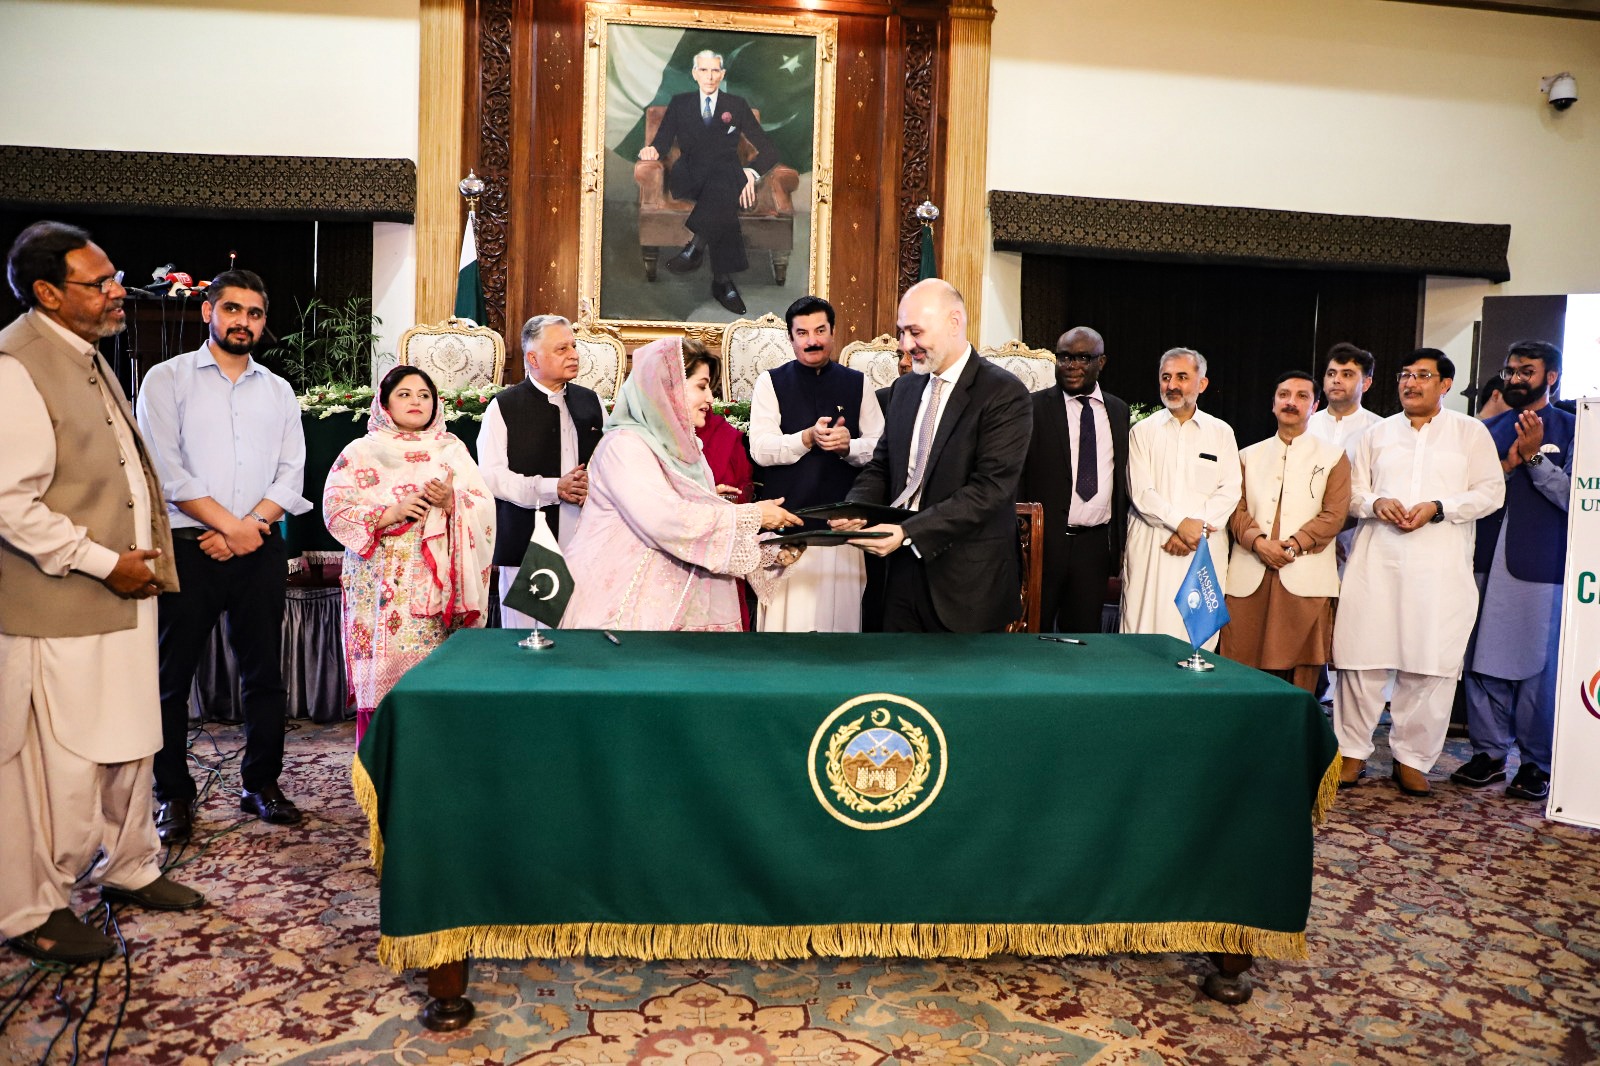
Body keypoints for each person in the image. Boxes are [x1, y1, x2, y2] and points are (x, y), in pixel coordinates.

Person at [1, 221, 203, 965]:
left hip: (122, 592)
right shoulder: (16, 367)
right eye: (100, 282)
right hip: (60, 604)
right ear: (48, 292)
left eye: (115, 276)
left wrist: (127, 567)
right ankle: (34, 907)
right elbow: (10, 502)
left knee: (131, 740)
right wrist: (99, 561)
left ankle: (130, 865)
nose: (119, 290)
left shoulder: (85, 353)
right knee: (62, 761)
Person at [135, 269, 311, 843]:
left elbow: (291, 473)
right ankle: (172, 794)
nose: (243, 322)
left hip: (258, 550)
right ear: (208, 311)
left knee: (265, 676)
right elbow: (166, 472)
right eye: (232, 309)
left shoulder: (278, 390)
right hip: (190, 550)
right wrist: (232, 528)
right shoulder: (166, 379)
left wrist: (250, 528)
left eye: (254, 313)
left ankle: (261, 784)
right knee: (170, 678)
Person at [1332, 349, 1504, 797]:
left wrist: (1439, 507)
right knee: (1362, 656)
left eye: (1422, 375)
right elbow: (1351, 491)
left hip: (1439, 568)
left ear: (1445, 384)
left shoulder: (1470, 432)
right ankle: (1351, 752)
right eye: (1405, 374)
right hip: (1377, 562)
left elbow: (1491, 492)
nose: (1410, 383)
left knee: (1430, 663)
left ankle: (1412, 759)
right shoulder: (1375, 433)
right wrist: (1375, 503)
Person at [560, 337, 804, 630]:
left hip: (681, 610)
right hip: (626, 612)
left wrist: (770, 551)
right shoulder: (624, 446)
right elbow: (666, 520)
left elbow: (700, 526)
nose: (710, 399)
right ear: (668, 388)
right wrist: (753, 515)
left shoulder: (689, 451)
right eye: (702, 387)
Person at [833, 278, 1033, 633]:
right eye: (902, 332)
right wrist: (855, 508)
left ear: (954, 323)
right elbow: (882, 466)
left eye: (915, 332)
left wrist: (907, 531)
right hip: (896, 576)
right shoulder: (904, 388)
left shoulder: (1005, 394)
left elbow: (988, 491)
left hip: (966, 584)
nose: (905, 344)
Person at [323, 366, 495, 743]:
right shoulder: (361, 452)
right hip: (379, 587)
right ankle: (381, 770)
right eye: (404, 394)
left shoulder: (452, 450)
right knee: (383, 684)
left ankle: (435, 769)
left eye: (424, 395)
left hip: (436, 592)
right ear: (384, 403)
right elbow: (334, 510)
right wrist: (390, 513)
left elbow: (484, 508)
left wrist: (452, 501)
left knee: (436, 684)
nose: (416, 401)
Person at [1454, 341, 1575, 801]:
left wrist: (1535, 458)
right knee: (1480, 661)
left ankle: (1535, 762)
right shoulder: (1483, 431)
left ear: (1551, 377)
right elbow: (1469, 492)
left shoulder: (1576, 429)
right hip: (1482, 559)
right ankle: (1488, 754)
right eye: (1510, 371)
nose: (1516, 379)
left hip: (1539, 563)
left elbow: (1576, 500)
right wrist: (1508, 463)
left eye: (1527, 371)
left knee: (1535, 668)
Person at [750, 295, 884, 632]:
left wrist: (849, 446)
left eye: (820, 331)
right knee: (785, 632)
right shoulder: (770, 382)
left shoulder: (858, 383)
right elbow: (760, 449)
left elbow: (881, 449)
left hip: (842, 528)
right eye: (803, 333)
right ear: (790, 337)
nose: (812, 341)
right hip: (787, 527)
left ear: (833, 332)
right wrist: (806, 438)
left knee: (839, 631)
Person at [1219, 371, 1351, 692]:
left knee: (1299, 677)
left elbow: (1334, 515)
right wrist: (1259, 543)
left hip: (1305, 577)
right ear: (1273, 403)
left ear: (1315, 406)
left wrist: (1294, 544)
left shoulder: (1334, 457)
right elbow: (1235, 510)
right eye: (1284, 395)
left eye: (1302, 396)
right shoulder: (1247, 455)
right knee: (1239, 671)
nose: (1291, 402)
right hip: (1249, 576)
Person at [479, 314, 604, 628]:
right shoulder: (504, 406)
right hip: (530, 542)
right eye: (562, 349)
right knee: (530, 641)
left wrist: (595, 485)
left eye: (573, 346)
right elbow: (492, 476)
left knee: (582, 637)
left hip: (587, 541)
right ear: (533, 359)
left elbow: (610, 460)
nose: (574, 355)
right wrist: (553, 488)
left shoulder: (591, 402)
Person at [637, 49, 782, 315]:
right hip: (689, 176)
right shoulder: (680, 103)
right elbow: (661, 142)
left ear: (722, 74)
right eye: (704, 70)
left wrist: (751, 173)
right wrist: (651, 151)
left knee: (723, 180)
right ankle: (721, 281)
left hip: (723, 179)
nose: (710, 76)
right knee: (726, 178)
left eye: (715, 70)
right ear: (695, 74)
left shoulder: (736, 105)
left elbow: (769, 150)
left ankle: (700, 253)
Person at [1119, 348, 1241, 647]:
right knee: (1142, 634)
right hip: (1153, 544)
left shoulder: (1221, 432)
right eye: (1166, 377)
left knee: (1195, 638)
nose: (1172, 385)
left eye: (1182, 377)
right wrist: (1180, 524)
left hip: (1202, 547)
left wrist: (1193, 529)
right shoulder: (1142, 432)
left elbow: (1229, 490)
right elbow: (1141, 492)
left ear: (1202, 383)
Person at [1019, 326, 1130, 634]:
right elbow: (1018, 477)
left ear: (1101, 362)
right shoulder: (1032, 407)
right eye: (1064, 357)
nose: (1071, 365)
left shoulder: (1118, 411)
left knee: (1082, 640)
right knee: (1031, 635)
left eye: (1082, 358)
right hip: (1042, 544)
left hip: (1094, 548)